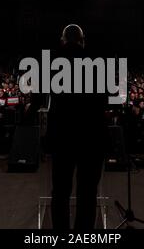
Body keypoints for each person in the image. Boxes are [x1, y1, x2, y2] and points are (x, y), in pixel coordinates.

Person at [48, 24, 107, 230]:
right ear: (83, 40)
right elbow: (105, 100)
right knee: (88, 192)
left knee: (60, 192)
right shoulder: (97, 61)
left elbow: (39, 97)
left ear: (62, 39)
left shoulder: (50, 60)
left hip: (62, 135)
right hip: (91, 136)